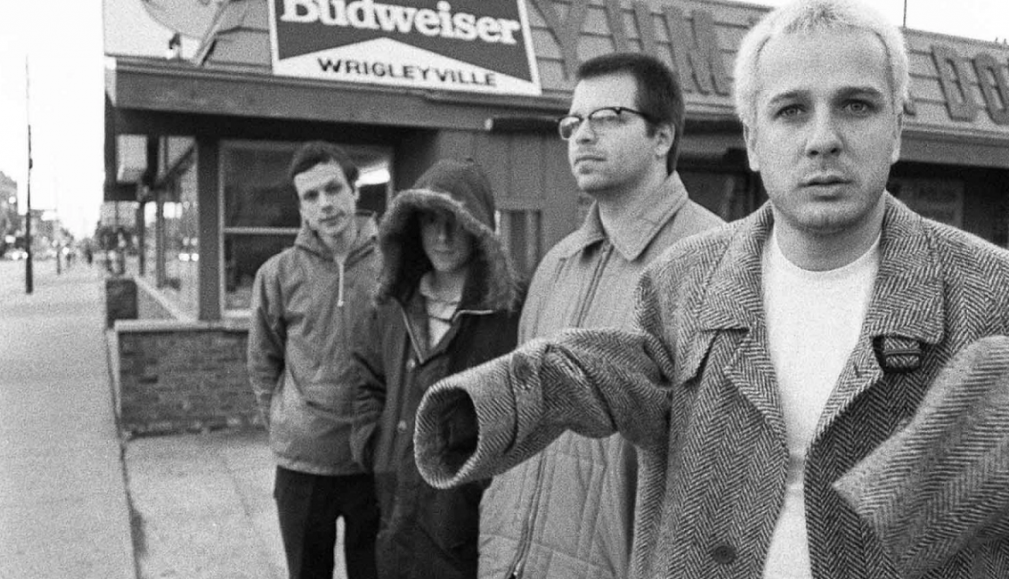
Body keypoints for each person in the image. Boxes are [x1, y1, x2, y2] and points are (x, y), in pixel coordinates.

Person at [412, 1, 1009, 578]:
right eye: (792, 111)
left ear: (898, 129)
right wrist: (499, 401)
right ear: (752, 141)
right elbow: (605, 374)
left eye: (856, 105)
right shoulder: (683, 282)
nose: (823, 137)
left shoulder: (989, 296)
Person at [468, 52, 722, 579]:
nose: (582, 135)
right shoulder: (556, 263)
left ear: (662, 138)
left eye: (607, 117)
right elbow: (523, 415)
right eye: (572, 123)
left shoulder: (716, 261)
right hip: (511, 559)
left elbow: (717, 474)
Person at [349, 159, 522, 579]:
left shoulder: (508, 312)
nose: (442, 237)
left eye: (455, 222)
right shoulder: (393, 302)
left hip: (465, 505)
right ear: (412, 227)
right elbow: (367, 379)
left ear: (480, 229)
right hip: (394, 493)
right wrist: (373, 443)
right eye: (430, 221)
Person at [247, 141, 379, 579]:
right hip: (302, 464)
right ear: (301, 208)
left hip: (371, 459)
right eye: (310, 196)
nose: (325, 204)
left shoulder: (392, 264)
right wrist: (284, 421)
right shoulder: (278, 273)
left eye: (333, 188)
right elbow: (263, 361)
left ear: (354, 192)